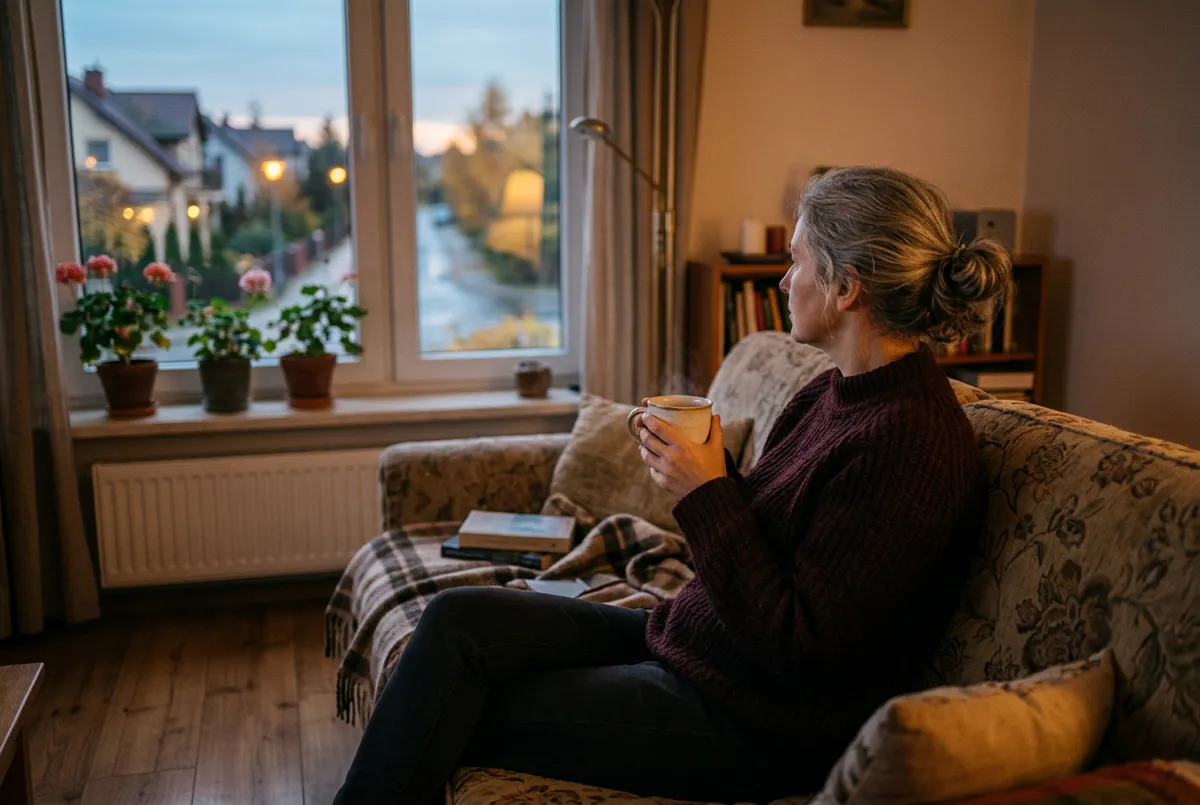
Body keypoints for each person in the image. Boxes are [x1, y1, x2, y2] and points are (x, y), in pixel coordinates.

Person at [334, 166, 1011, 804]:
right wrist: (709, 469)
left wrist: (705, 491)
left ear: (846, 286)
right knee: (459, 621)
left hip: (756, 724)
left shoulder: (909, 444)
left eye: (797, 261)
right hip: (699, 646)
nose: (782, 281)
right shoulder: (831, 393)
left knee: (453, 701)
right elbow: (780, 538)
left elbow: (801, 649)